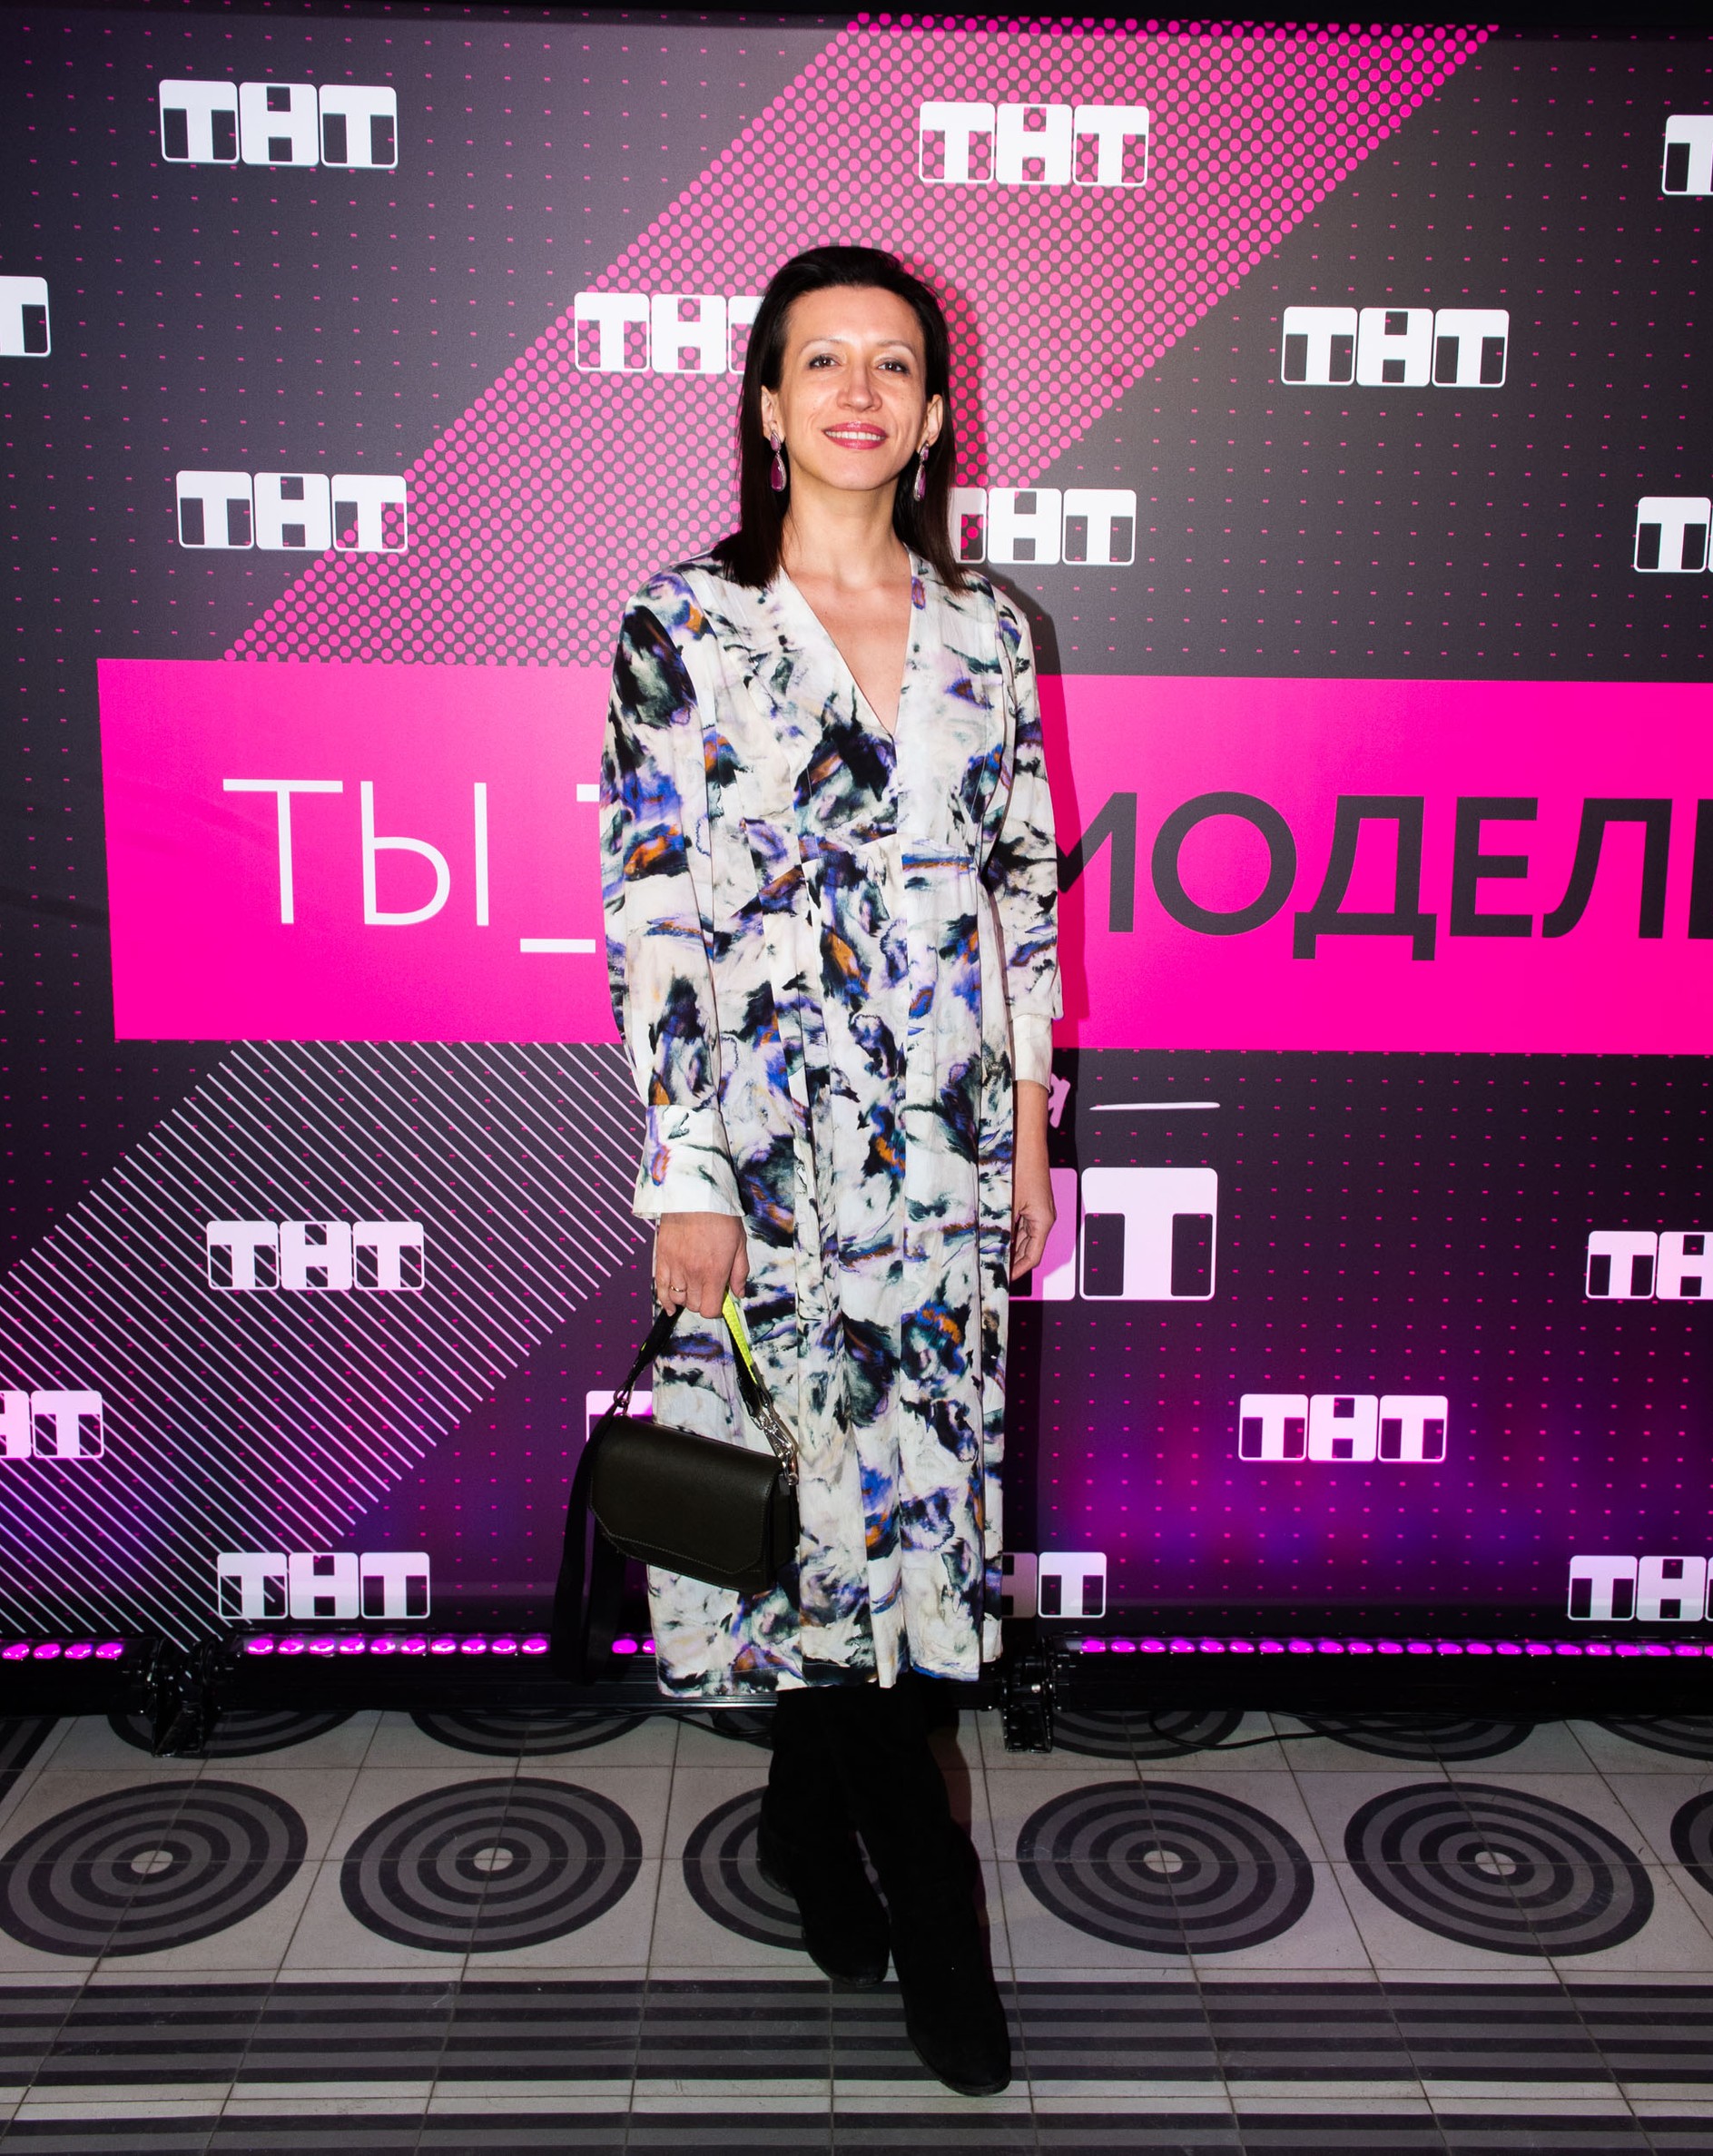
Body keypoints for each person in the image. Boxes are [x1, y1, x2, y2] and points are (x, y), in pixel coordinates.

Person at [598, 244, 1060, 2095]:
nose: (859, 392)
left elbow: (1022, 888)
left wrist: (1033, 1126)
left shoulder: (990, 630)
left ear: (934, 415)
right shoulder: (682, 627)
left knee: (901, 1530)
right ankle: (938, 1927)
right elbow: (650, 913)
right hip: (772, 1163)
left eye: (894, 365)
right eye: (821, 362)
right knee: (812, 1521)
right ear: (768, 406)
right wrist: (685, 1170)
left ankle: (804, 1827)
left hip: (945, 1155)